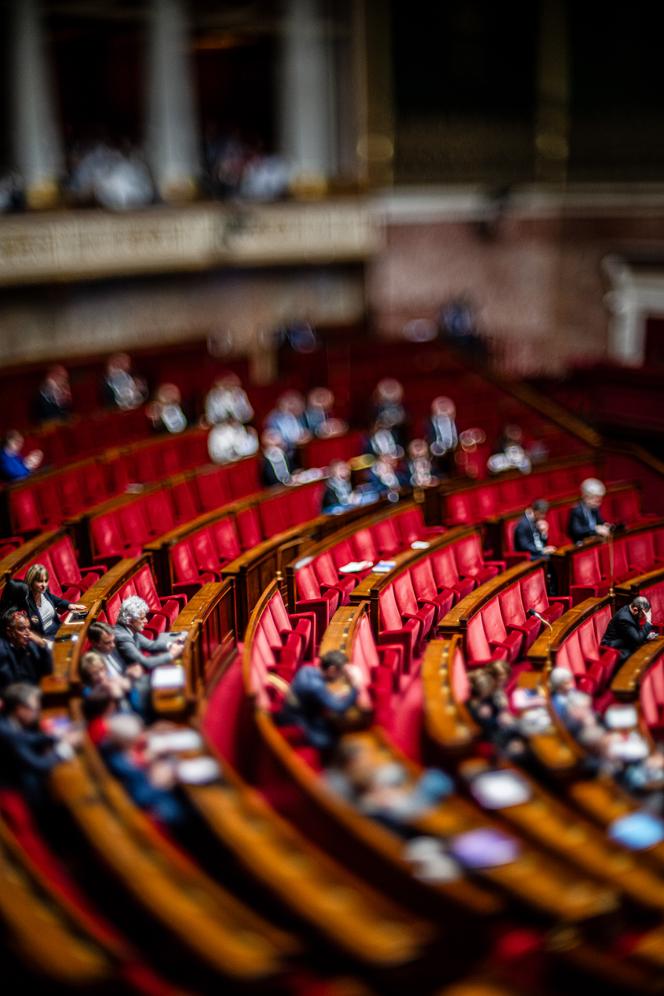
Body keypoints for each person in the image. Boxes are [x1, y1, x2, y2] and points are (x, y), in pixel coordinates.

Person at [100, 714, 188, 829]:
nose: (141, 736)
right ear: (127, 742)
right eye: (138, 734)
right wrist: (160, 783)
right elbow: (139, 797)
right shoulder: (121, 764)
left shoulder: (111, 746)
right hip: (155, 811)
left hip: (152, 783)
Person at [0, 683, 76, 805]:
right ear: (20, 709)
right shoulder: (7, 732)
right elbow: (38, 764)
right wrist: (64, 748)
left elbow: (28, 738)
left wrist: (55, 735)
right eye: (35, 709)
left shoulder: (7, 723)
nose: (38, 712)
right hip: (16, 793)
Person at [277, 650, 359, 751]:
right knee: (334, 740)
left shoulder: (306, 670)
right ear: (332, 670)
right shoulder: (316, 686)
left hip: (296, 714)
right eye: (341, 673)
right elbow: (339, 707)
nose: (341, 677)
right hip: (299, 725)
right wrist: (355, 686)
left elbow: (322, 696)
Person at [4, 564, 86, 639]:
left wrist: (70, 605)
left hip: (58, 628)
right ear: (31, 581)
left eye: (46, 581)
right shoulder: (24, 601)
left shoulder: (44, 592)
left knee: (82, 633)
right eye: (40, 581)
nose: (44, 585)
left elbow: (55, 599)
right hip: (45, 637)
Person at [113, 597, 184, 672]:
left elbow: (150, 645)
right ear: (129, 621)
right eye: (142, 618)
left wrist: (171, 644)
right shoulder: (123, 638)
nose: (146, 621)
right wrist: (172, 654)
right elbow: (145, 663)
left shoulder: (129, 629)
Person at [0, 610, 52, 692]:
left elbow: (48, 670)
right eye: (21, 629)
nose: (28, 633)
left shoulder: (31, 644)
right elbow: (10, 685)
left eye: (28, 628)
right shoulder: (2, 652)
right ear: (9, 632)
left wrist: (42, 645)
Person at [601, 596, 658, 664]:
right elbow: (638, 640)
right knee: (642, 658)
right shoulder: (625, 618)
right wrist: (648, 621)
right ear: (635, 609)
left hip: (625, 641)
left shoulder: (630, 609)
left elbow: (634, 632)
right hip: (614, 647)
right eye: (643, 615)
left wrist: (646, 636)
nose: (643, 617)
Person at [265, 391, 311, 457]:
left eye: (297, 402)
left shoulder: (305, 416)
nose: (293, 406)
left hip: (302, 452)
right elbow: (273, 439)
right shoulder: (274, 419)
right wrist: (293, 442)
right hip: (284, 454)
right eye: (290, 403)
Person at [568, 478, 613, 543]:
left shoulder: (594, 507)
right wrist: (595, 530)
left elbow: (599, 521)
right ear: (585, 497)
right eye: (595, 500)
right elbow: (577, 531)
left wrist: (604, 525)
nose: (598, 503)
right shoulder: (576, 510)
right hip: (581, 543)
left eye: (599, 500)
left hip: (593, 540)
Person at [425, 396, 458, 475]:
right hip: (437, 456)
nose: (444, 408)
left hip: (451, 453)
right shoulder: (429, 423)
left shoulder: (452, 422)